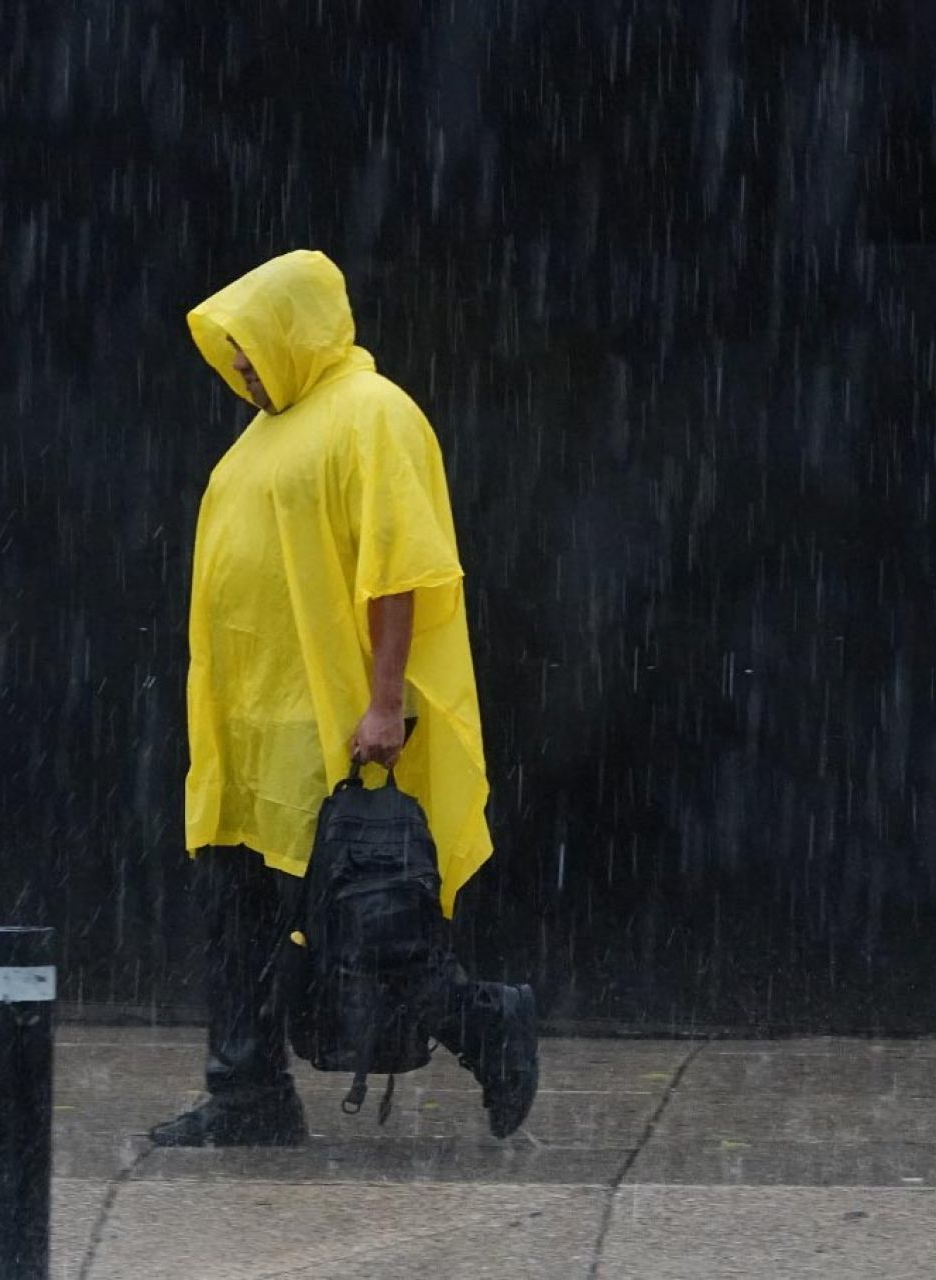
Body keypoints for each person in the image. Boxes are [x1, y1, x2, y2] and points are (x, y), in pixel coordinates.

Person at [149, 249, 540, 1148]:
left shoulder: (372, 414)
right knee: (237, 913)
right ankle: (246, 1095)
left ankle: (486, 1024)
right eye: (234, 352)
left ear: (297, 327)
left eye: (251, 346)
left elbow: (397, 565)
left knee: (362, 921)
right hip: (247, 727)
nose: (241, 367)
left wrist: (384, 700)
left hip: (327, 716)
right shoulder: (259, 435)